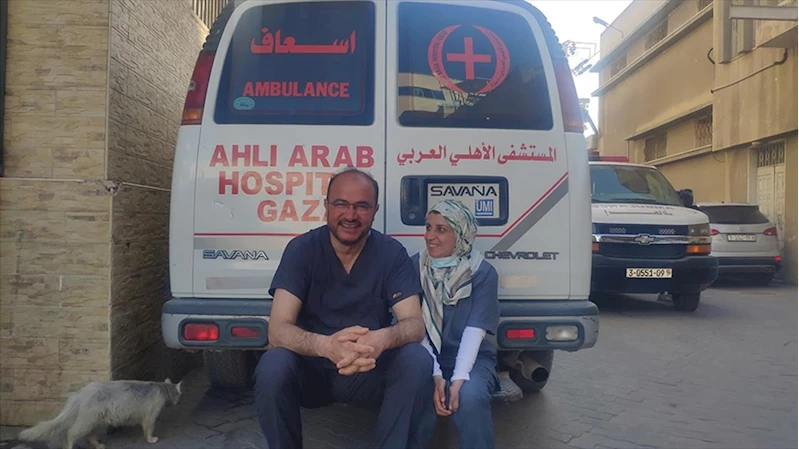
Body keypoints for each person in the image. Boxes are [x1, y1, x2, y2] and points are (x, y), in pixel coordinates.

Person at [254, 167, 436, 449]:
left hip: (368, 368)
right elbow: (277, 329)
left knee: (417, 360)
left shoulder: (391, 253)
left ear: (375, 211)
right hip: (311, 370)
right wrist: (326, 346)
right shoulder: (302, 250)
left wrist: (381, 339)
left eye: (362, 206)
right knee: (272, 366)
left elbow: (414, 323)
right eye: (341, 204)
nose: (350, 215)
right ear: (326, 206)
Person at [412, 199, 501, 449]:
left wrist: (459, 378)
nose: (430, 236)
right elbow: (415, 327)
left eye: (441, 229)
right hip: (424, 356)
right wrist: (436, 374)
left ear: (461, 234)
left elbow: (475, 331)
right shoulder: (414, 266)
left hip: (473, 359)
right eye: (428, 227)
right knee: (416, 391)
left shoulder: (482, 273)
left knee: (469, 397)